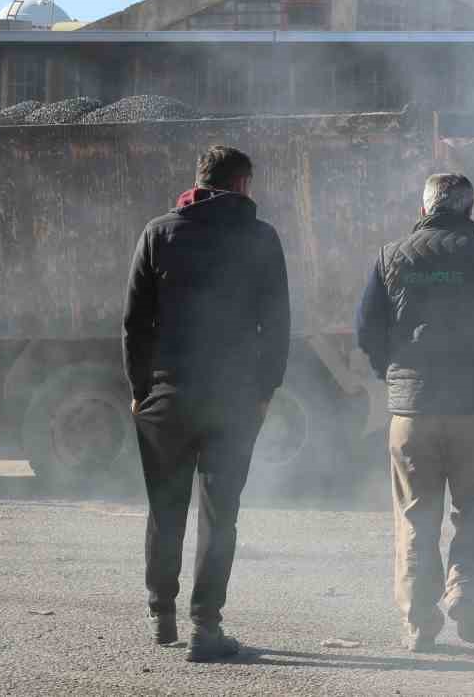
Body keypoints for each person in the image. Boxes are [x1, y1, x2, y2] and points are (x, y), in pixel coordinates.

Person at [123, 145, 290, 662]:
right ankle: (206, 628)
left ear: (199, 181)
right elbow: (277, 326)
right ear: (241, 185)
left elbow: (135, 323)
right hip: (234, 400)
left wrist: (138, 389)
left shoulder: (159, 232)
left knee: (166, 507)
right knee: (221, 515)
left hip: (167, 396)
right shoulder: (262, 238)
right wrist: (265, 392)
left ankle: (161, 615)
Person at [356, 173, 474, 652]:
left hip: (412, 412)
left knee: (417, 515)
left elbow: (367, 328)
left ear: (424, 209)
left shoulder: (390, 255)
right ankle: (465, 591)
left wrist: (392, 375)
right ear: (469, 211)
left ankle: (419, 622)